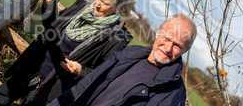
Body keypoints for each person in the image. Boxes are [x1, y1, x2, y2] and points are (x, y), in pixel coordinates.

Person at [0, 0, 134, 106]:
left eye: (105, 3)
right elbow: (53, 27)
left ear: (117, 8)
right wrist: (50, 3)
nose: (97, 4)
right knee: (0, 99)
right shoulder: (84, 4)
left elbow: (102, 73)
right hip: (32, 64)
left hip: (51, 86)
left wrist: (80, 70)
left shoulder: (116, 36)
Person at [47, 14, 197, 106]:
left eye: (177, 45)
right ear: (158, 33)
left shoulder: (173, 93)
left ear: (185, 50)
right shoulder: (129, 54)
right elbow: (86, 84)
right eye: (167, 38)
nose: (168, 47)